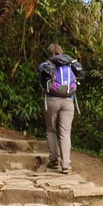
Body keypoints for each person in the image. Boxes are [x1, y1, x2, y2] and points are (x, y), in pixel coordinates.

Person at [40, 43, 76, 174]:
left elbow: (42, 79)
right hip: (68, 101)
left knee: (51, 129)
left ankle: (54, 160)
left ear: (49, 53)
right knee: (65, 133)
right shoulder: (70, 65)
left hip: (51, 100)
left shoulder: (45, 65)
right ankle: (66, 165)